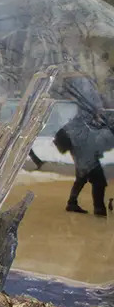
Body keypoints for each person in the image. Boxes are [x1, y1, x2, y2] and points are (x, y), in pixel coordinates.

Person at [56, 77, 114, 216]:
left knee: (81, 177)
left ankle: (72, 202)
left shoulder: (86, 116)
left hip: (81, 149)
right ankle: (99, 210)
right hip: (84, 151)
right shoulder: (85, 116)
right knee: (99, 182)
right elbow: (93, 139)